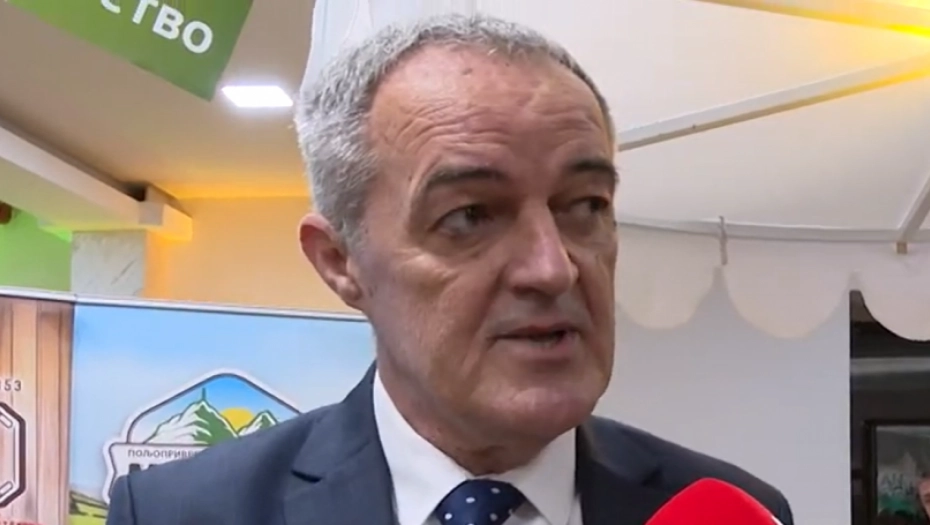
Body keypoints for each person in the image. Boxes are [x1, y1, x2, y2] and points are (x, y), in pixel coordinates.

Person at [105, 13, 795, 525]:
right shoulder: (183, 512)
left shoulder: (732, 511)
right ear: (340, 262)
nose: (553, 267)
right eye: (469, 216)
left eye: (586, 205)